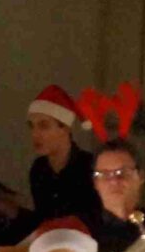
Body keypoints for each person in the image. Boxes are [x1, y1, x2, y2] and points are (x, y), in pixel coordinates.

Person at [24, 85, 101, 226]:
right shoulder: (39, 169)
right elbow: (43, 219)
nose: (35, 134)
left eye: (44, 126)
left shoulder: (90, 167)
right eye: (31, 126)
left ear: (65, 128)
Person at [90, 138, 145, 252]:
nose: (114, 181)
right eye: (105, 174)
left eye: (123, 172)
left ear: (141, 176)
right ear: (95, 182)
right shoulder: (83, 232)